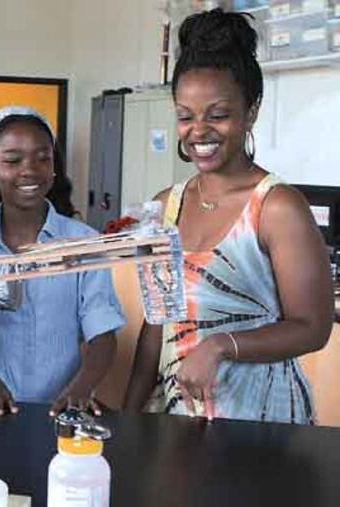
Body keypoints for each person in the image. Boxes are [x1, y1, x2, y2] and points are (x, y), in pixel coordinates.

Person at [123, 9, 333, 423]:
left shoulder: (277, 207)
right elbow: (155, 327)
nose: (198, 130)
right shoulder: (165, 205)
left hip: (262, 422)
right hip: (178, 419)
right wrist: (128, 420)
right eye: (185, 116)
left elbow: (313, 327)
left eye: (217, 114)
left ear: (250, 112)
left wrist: (220, 344)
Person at [0, 106, 126, 418]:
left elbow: (103, 333)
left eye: (43, 158)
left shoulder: (84, 243)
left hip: (62, 409)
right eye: (13, 160)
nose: (30, 170)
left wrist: (80, 388)